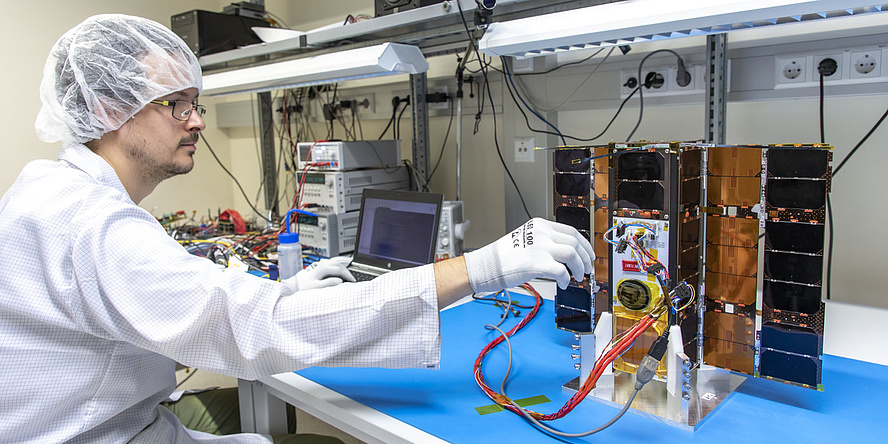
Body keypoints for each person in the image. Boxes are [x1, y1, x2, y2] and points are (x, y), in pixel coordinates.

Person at [0, 14, 594, 444]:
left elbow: (204, 309)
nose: (199, 121)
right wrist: (482, 268)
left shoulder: (52, 194)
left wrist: (285, 291)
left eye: (195, 101)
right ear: (107, 110)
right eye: (176, 105)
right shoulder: (94, 226)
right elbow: (252, 332)